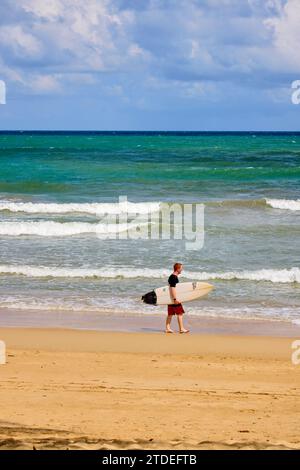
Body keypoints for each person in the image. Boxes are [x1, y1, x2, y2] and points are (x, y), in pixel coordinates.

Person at [165, 262, 189, 334]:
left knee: (170, 314)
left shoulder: (172, 276)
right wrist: (175, 299)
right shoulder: (173, 277)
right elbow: (172, 288)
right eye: (181, 268)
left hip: (171, 298)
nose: (182, 270)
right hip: (174, 299)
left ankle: (168, 328)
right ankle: (181, 329)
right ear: (178, 269)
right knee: (180, 313)